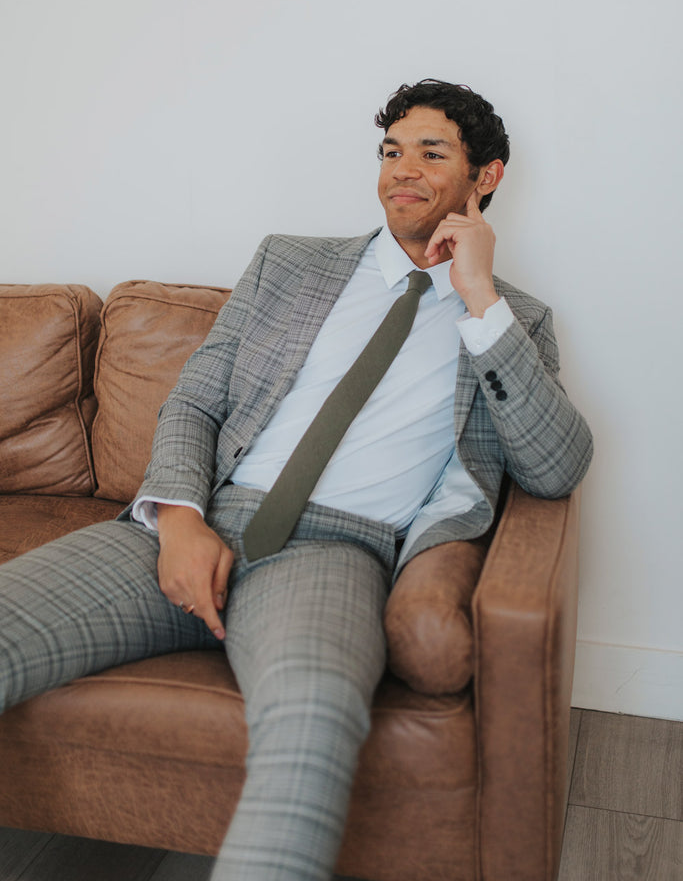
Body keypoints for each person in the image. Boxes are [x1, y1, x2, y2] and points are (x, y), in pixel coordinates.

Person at [0, 79, 593, 881]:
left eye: (431, 153)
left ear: (484, 178)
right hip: (195, 520)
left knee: (311, 722)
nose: (402, 171)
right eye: (391, 152)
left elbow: (555, 467)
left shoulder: (511, 321)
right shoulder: (290, 263)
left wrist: (478, 298)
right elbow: (194, 402)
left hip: (332, 555)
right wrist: (177, 518)